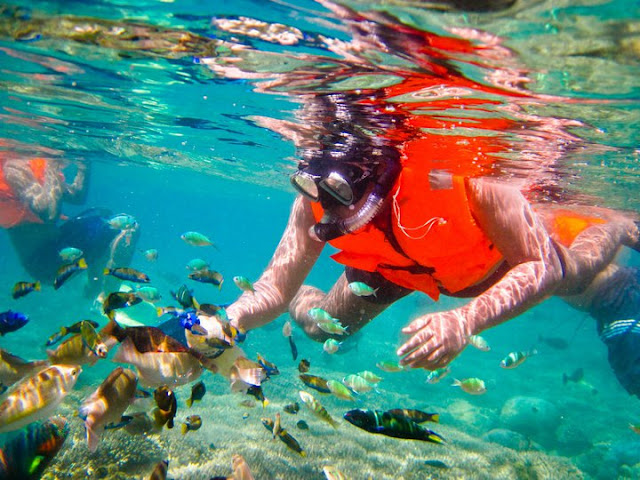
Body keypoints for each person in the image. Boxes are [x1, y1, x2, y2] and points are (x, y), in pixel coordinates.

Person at [0, 155, 138, 297]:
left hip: (60, 246)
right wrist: (52, 163)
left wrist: (84, 162)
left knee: (107, 217)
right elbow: (48, 214)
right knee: (128, 227)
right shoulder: (14, 167)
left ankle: (94, 286)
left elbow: (77, 196)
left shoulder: (31, 163)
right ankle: (108, 297)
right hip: (46, 260)